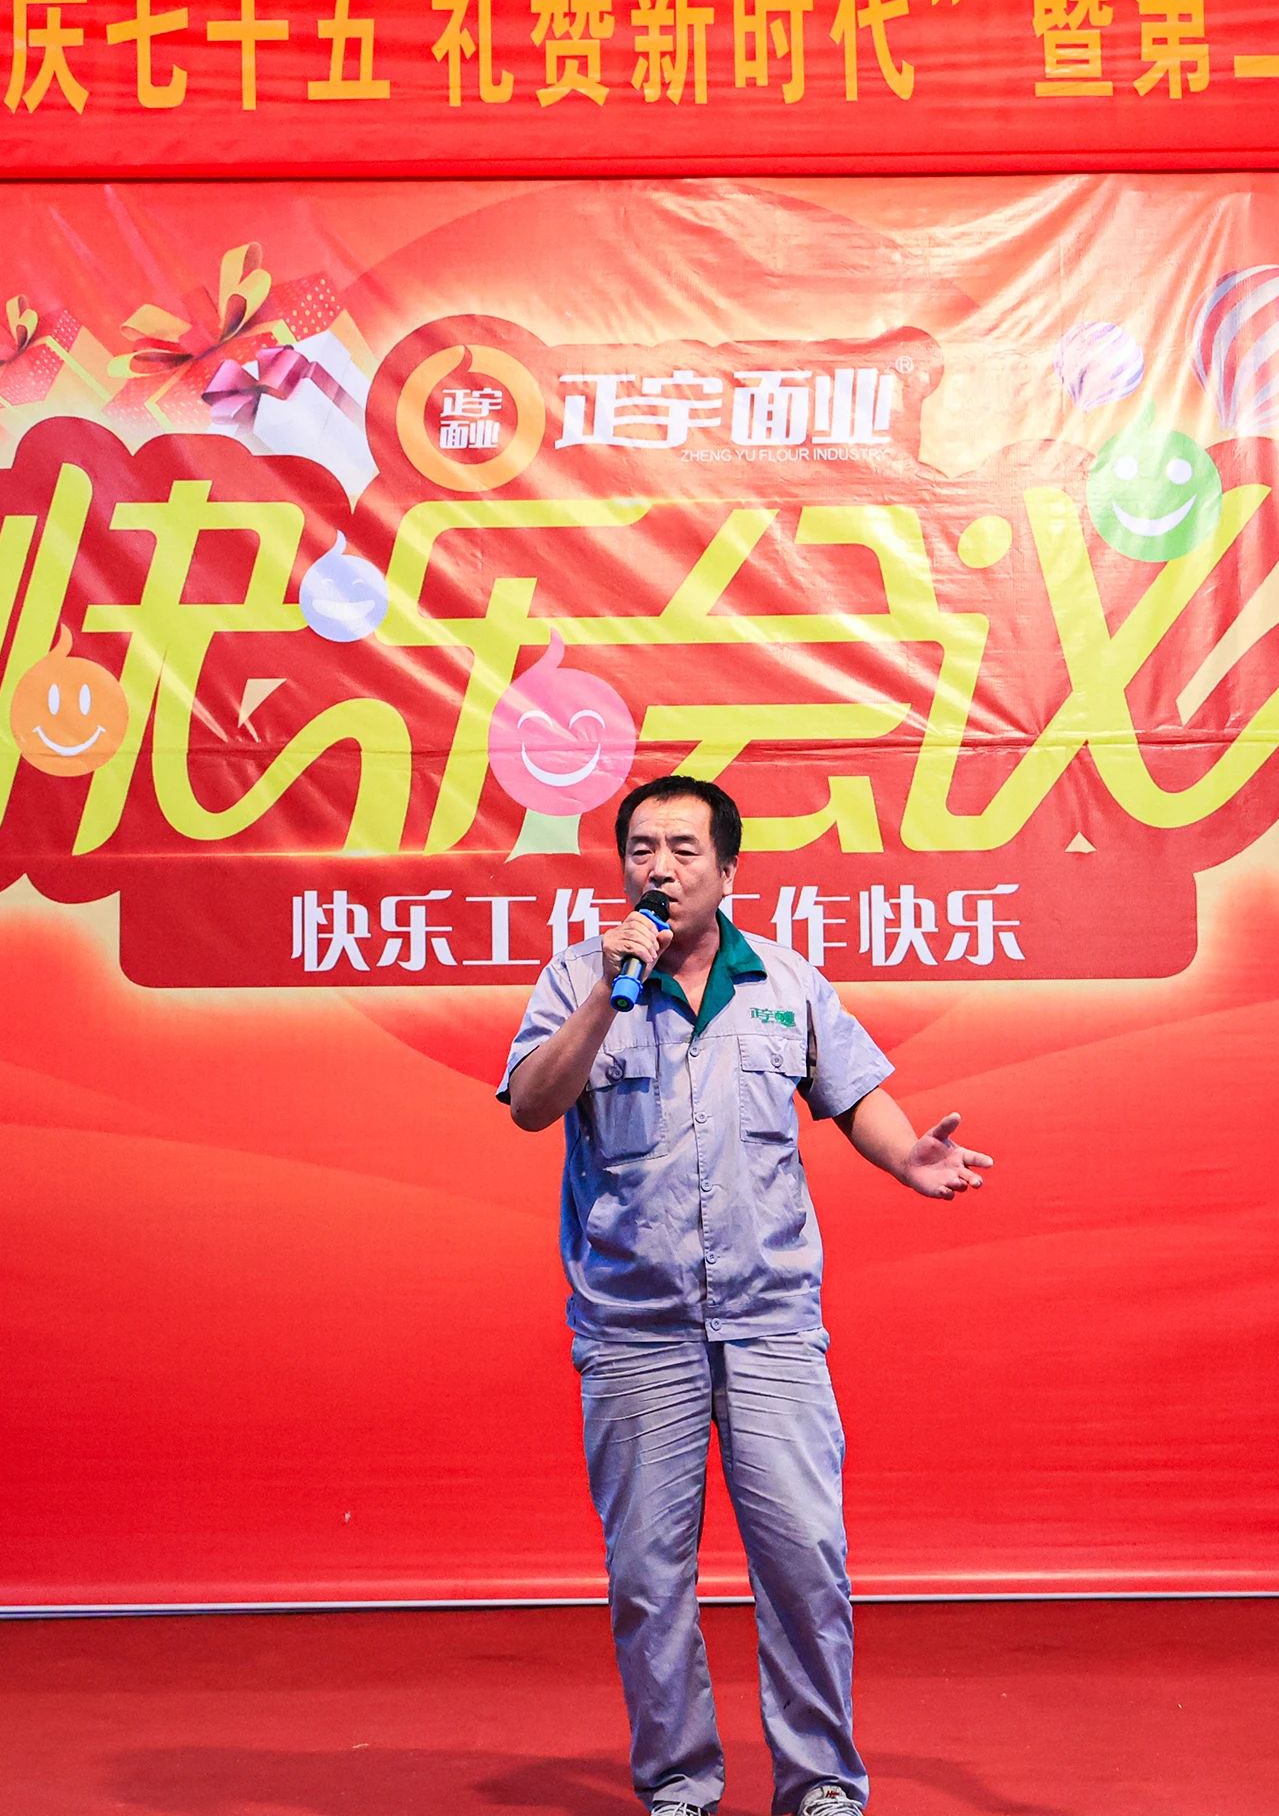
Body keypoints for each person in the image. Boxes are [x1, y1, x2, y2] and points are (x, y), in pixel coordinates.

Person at [500, 773, 994, 1816]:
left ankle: (821, 1784)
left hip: (770, 1323)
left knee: (806, 1562)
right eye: (641, 848)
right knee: (648, 1579)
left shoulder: (785, 981)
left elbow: (852, 1093)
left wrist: (906, 1157)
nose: (659, 868)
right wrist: (605, 993)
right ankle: (679, 1783)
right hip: (635, 1329)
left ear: (727, 870)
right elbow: (532, 1106)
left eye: (684, 849)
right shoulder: (579, 976)